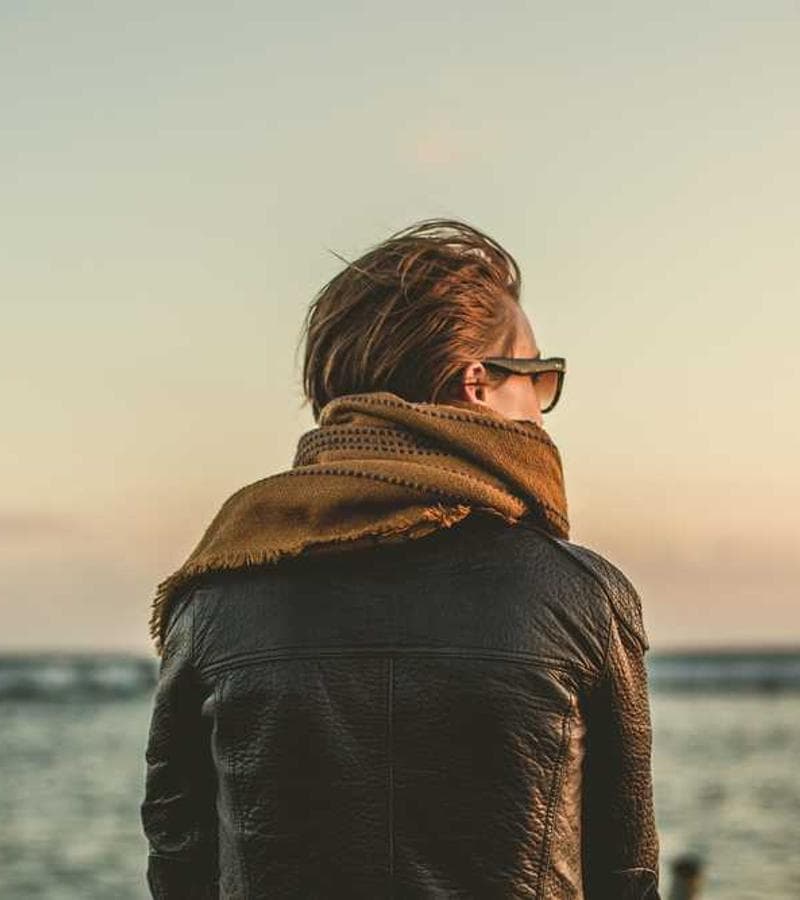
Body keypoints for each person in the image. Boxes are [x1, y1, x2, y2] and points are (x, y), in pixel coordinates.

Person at [140, 218, 661, 899]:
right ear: (479, 384)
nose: (541, 410)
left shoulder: (210, 599)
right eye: (538, 378)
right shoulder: (583, 597)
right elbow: (627, 880)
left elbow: (179, 861)